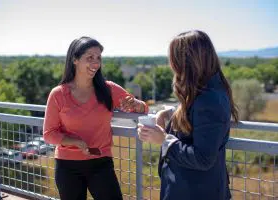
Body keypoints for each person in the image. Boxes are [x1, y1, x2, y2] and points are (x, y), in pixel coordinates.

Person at [43, 36, 148, 200]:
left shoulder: (108, 89)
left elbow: (142, 108)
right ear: (75, 60)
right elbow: (49, 134)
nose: (95, 63)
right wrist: (75, 142)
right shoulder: (58, 94)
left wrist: (136, 104)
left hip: (101, 163)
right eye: (89, 58)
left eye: (98, 58)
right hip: (67, 166)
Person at [137, 30, 238, 200]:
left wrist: (164, 140)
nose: (172, 65)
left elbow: (203, 158)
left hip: (196, 192)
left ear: (187, 61)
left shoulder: (210, 99)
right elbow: (194, 113)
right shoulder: (206, 91)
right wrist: (168, 114)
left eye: (174, 59)